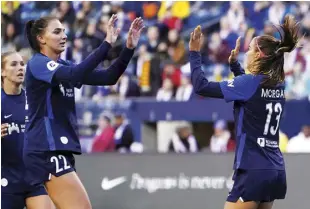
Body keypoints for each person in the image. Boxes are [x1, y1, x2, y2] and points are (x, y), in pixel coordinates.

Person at [23, 14, 144, 209]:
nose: (63, 36)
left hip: (56, 148)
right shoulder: (38, 64)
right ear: (41, 38)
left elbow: (109, 77)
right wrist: (105, 44)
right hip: (45, 149)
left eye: (64, 31)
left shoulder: (64, 66)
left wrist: (128, 48)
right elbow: (76, 74)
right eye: (56, 32)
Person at [189, 15, 299, 209]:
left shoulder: (249, 84)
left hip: (252, 169)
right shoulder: (278, 85)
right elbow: (252, 94)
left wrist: (194, 53)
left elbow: (200, 86)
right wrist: (235, 67)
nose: (245, 53)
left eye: (248, 50)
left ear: (259, 55)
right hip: (275, 169)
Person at [1, 51, 54, 209]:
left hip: (33, 178)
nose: (20, 68)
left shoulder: (33, 100)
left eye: (22, 64)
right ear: (2, 72)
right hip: (6, 181)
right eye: (14, 64)